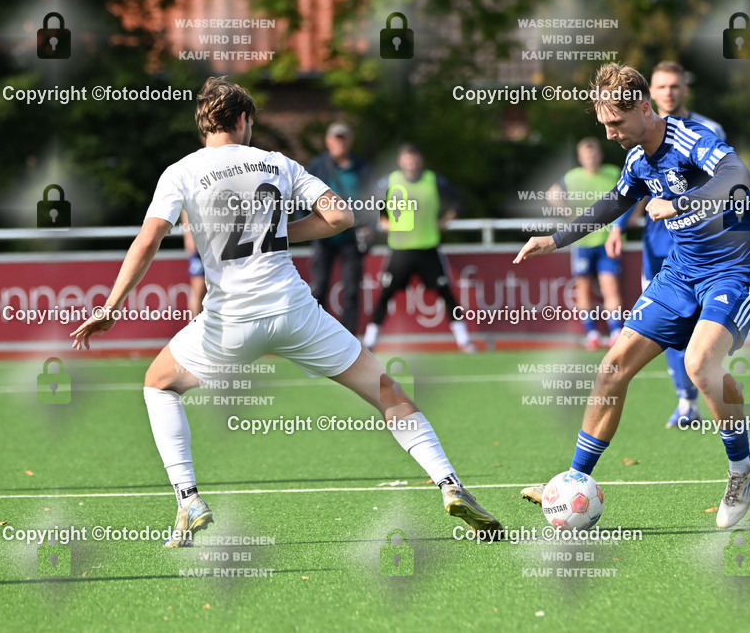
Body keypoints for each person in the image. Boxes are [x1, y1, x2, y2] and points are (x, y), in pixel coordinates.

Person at [70, 77, 501, 546]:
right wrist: (280, 233)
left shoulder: (181, 171)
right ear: (242, 120)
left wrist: (112, 305)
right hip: (295, 312)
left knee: (159, 384)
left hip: (229, 323)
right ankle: (449, 484)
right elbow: (341, 217)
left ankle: (188, 497)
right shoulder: (277, 163)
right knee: (386, 391)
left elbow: (149, 239)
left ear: (205, 125)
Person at [515, 63, 750, 529]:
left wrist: (680, 203)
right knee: (612, 368)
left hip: (736, 267)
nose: (611, 134)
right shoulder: (636, 159)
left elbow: (739, 175)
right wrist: (554, 240)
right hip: (682, 272)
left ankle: (741, 467)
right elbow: (612, 203)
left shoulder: (690, 140)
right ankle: (575, 479)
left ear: (643, 108)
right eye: (604, 125)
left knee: (700, 365)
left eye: (616, 122)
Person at [604, 61, 722, 428]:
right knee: (664, 321)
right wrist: (619, 225)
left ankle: (714, 395)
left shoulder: (706, 130)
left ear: (684, 89)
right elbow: (641, 182)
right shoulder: (634, 134)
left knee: (704, 331)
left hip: (701, 242)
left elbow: (725, 181)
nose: (669, 92)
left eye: (675, 86)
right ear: (649, 95)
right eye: (662, 87)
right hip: (658, 240)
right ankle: (685, 400)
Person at [363, 144, 475, 352]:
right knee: (385, 294)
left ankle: (464, 340)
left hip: (428, 248)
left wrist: (446, 219)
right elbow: (370, 203)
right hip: (400, 249)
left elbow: (460, 200)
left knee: (446, 293)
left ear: (420, 159)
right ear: (400, 161)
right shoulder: (390, 181)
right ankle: (369, 341)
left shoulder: (432, 180)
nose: (411, 162)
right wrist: (382, 220)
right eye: (407, 158)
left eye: (414, 157)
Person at [547, 137, 627, 350]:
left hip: (607, 240)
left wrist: (629, 218)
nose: (590, 158)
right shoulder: (572, 177)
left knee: (610, 285)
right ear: (581, 158)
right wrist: (568, 213)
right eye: (586, 155)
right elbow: (552, 194)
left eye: (593, 154)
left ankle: (616, 332)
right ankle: (591, 333)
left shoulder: (612, 172)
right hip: (582, 241)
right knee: (582, 287)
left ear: (599, 155)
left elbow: (634, 194)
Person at [306, 122, 374, 333]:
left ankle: (349, 337)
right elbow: (301, 198)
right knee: (319, 288)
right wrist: (309, 225)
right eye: (336, 138)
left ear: (349, 141)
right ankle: (317, 335)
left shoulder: (362, 167)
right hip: (324, 237)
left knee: (352, 290)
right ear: (328, 141)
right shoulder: (317, 166)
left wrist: (369, 226)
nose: (339, 143)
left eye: (343, 138)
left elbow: (373, 198)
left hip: (351, 238)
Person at [179, 210, 206, 319]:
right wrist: (189, 236)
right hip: (199, 247)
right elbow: (185, 209)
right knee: (198, 291)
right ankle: (193, 325)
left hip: (215, 245)